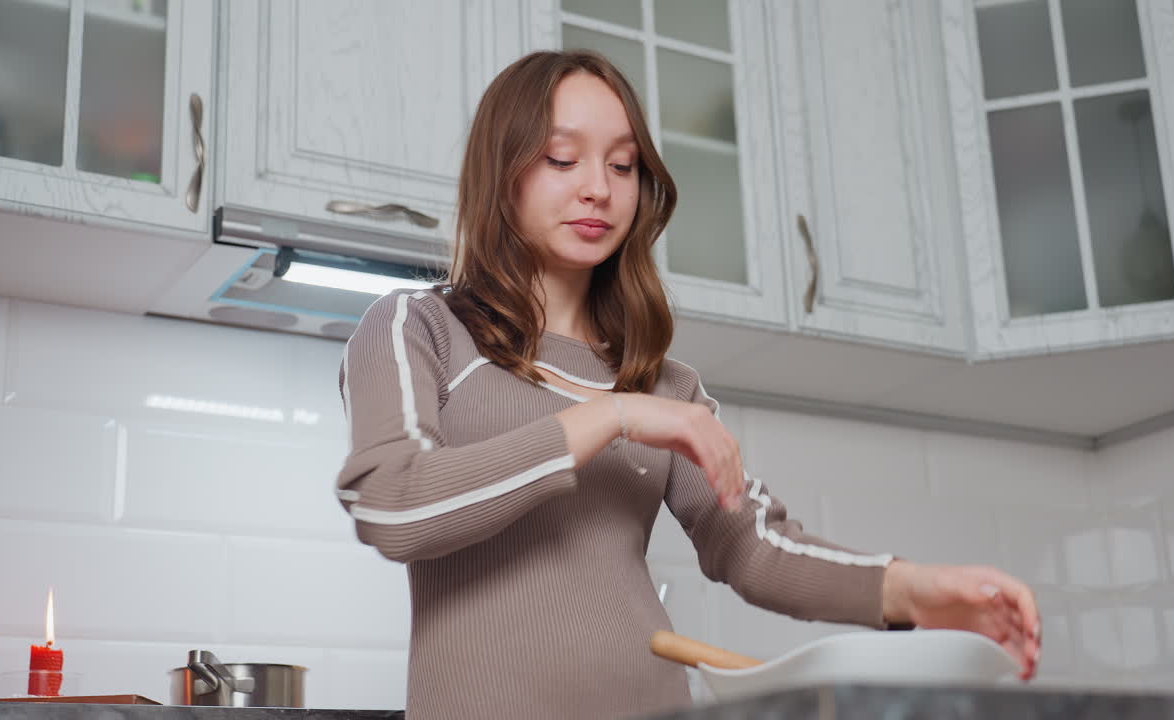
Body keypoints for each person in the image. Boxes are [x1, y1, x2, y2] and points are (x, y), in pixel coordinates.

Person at [335, 50, 1041, 719]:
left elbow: (753, 546)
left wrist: (913, 590)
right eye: (561, 158)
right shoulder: (417, 327)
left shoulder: (664, 383)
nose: (598, 188)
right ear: (501, 171)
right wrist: (609, 418)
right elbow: (395, 505)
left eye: (623, 164)